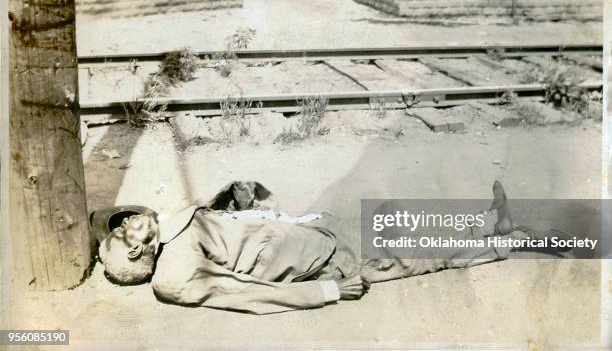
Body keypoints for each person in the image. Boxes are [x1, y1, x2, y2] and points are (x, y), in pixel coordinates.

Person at [98, 180, 569, 314]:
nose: (129, 220)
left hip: (307, 232)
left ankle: (487, 221)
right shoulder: (174, 275)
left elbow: (225, 225)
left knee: (391, 220)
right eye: (125, 230)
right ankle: (511, 242)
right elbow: (244, 295)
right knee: (413, 254)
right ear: (137, 253)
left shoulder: (168, 226)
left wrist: (242, 197)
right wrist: (323, 294)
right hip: (317, 262)